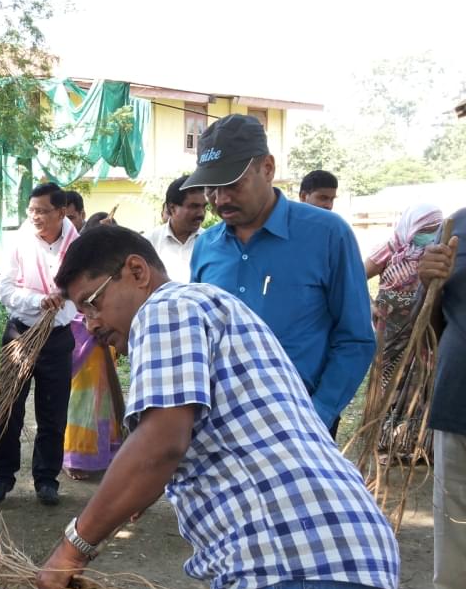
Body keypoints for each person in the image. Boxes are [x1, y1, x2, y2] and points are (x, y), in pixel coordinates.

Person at [37, 225, 400, 589]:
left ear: (136, 271)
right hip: (333, 562)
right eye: (80, 313)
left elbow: (160, 443)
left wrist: (72, 549)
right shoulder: (213, 307)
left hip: (290, 566)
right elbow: (187, 444)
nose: (90, 323)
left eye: (93, 302)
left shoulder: (166, 308)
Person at [187, 114, 374, 438]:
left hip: (300, 426)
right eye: (211, 188)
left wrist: (317, 414)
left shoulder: (328, 234)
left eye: (232, 184)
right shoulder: (206, 246)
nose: (220, 199)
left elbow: (355, 338)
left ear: (268, 168)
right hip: (220, 428)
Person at [0, 182, 77, 506]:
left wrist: (67, 294)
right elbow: (5, 290)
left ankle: (46, 479)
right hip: (20, 335)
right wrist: (39, 300)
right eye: (32, 211)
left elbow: (88, 285)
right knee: (9, 408)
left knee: (53, 413)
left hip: (58, 338)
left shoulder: (78, 245)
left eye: (42, 211)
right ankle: (2, 476)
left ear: (61, 212)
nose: (35, 217)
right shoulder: (18, 241)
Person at [417, 211, 466, 589]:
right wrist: (431, 285)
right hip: (457, 416)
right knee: (458, 568)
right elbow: (436, 326)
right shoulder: (458, 226)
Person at [364, 203, 444, 459]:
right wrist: (370, 305)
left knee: (419, 384)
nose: (429, 235)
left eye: (435, 229)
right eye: (425, 229)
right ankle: (383, 439)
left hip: (422, 333)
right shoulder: (390, 249)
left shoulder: (438, 256)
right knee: (388, 383)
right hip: (390, 334)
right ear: (411, 226)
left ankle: (412, 443)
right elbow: (356, 277)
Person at [63, 217, 124, 481]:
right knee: (81, 398)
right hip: (82, 337)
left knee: (104, 397)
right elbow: (72, 304)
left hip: (106, 338)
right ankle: (76, 457)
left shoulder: (119, 267)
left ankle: (104, 452)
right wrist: (91, 322)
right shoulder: (77, 264)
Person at [144, 174, 207, 282]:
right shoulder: (149, 242)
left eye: (204, 207)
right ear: (172, 208)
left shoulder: (211, 242)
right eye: (194, 206)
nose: (201, 213)